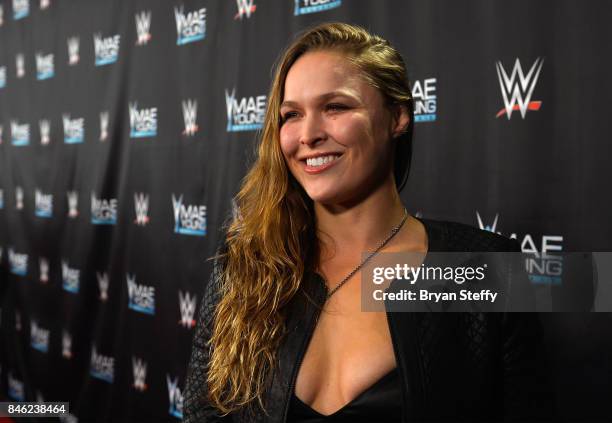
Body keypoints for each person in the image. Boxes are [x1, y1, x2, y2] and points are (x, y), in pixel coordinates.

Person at [183, 22, 554, 422]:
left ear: (398, 117)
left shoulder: (480, 270)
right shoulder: (245, 264)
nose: (307, 134)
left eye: (336, 107)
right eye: (291, 114)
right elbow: (202, 412)